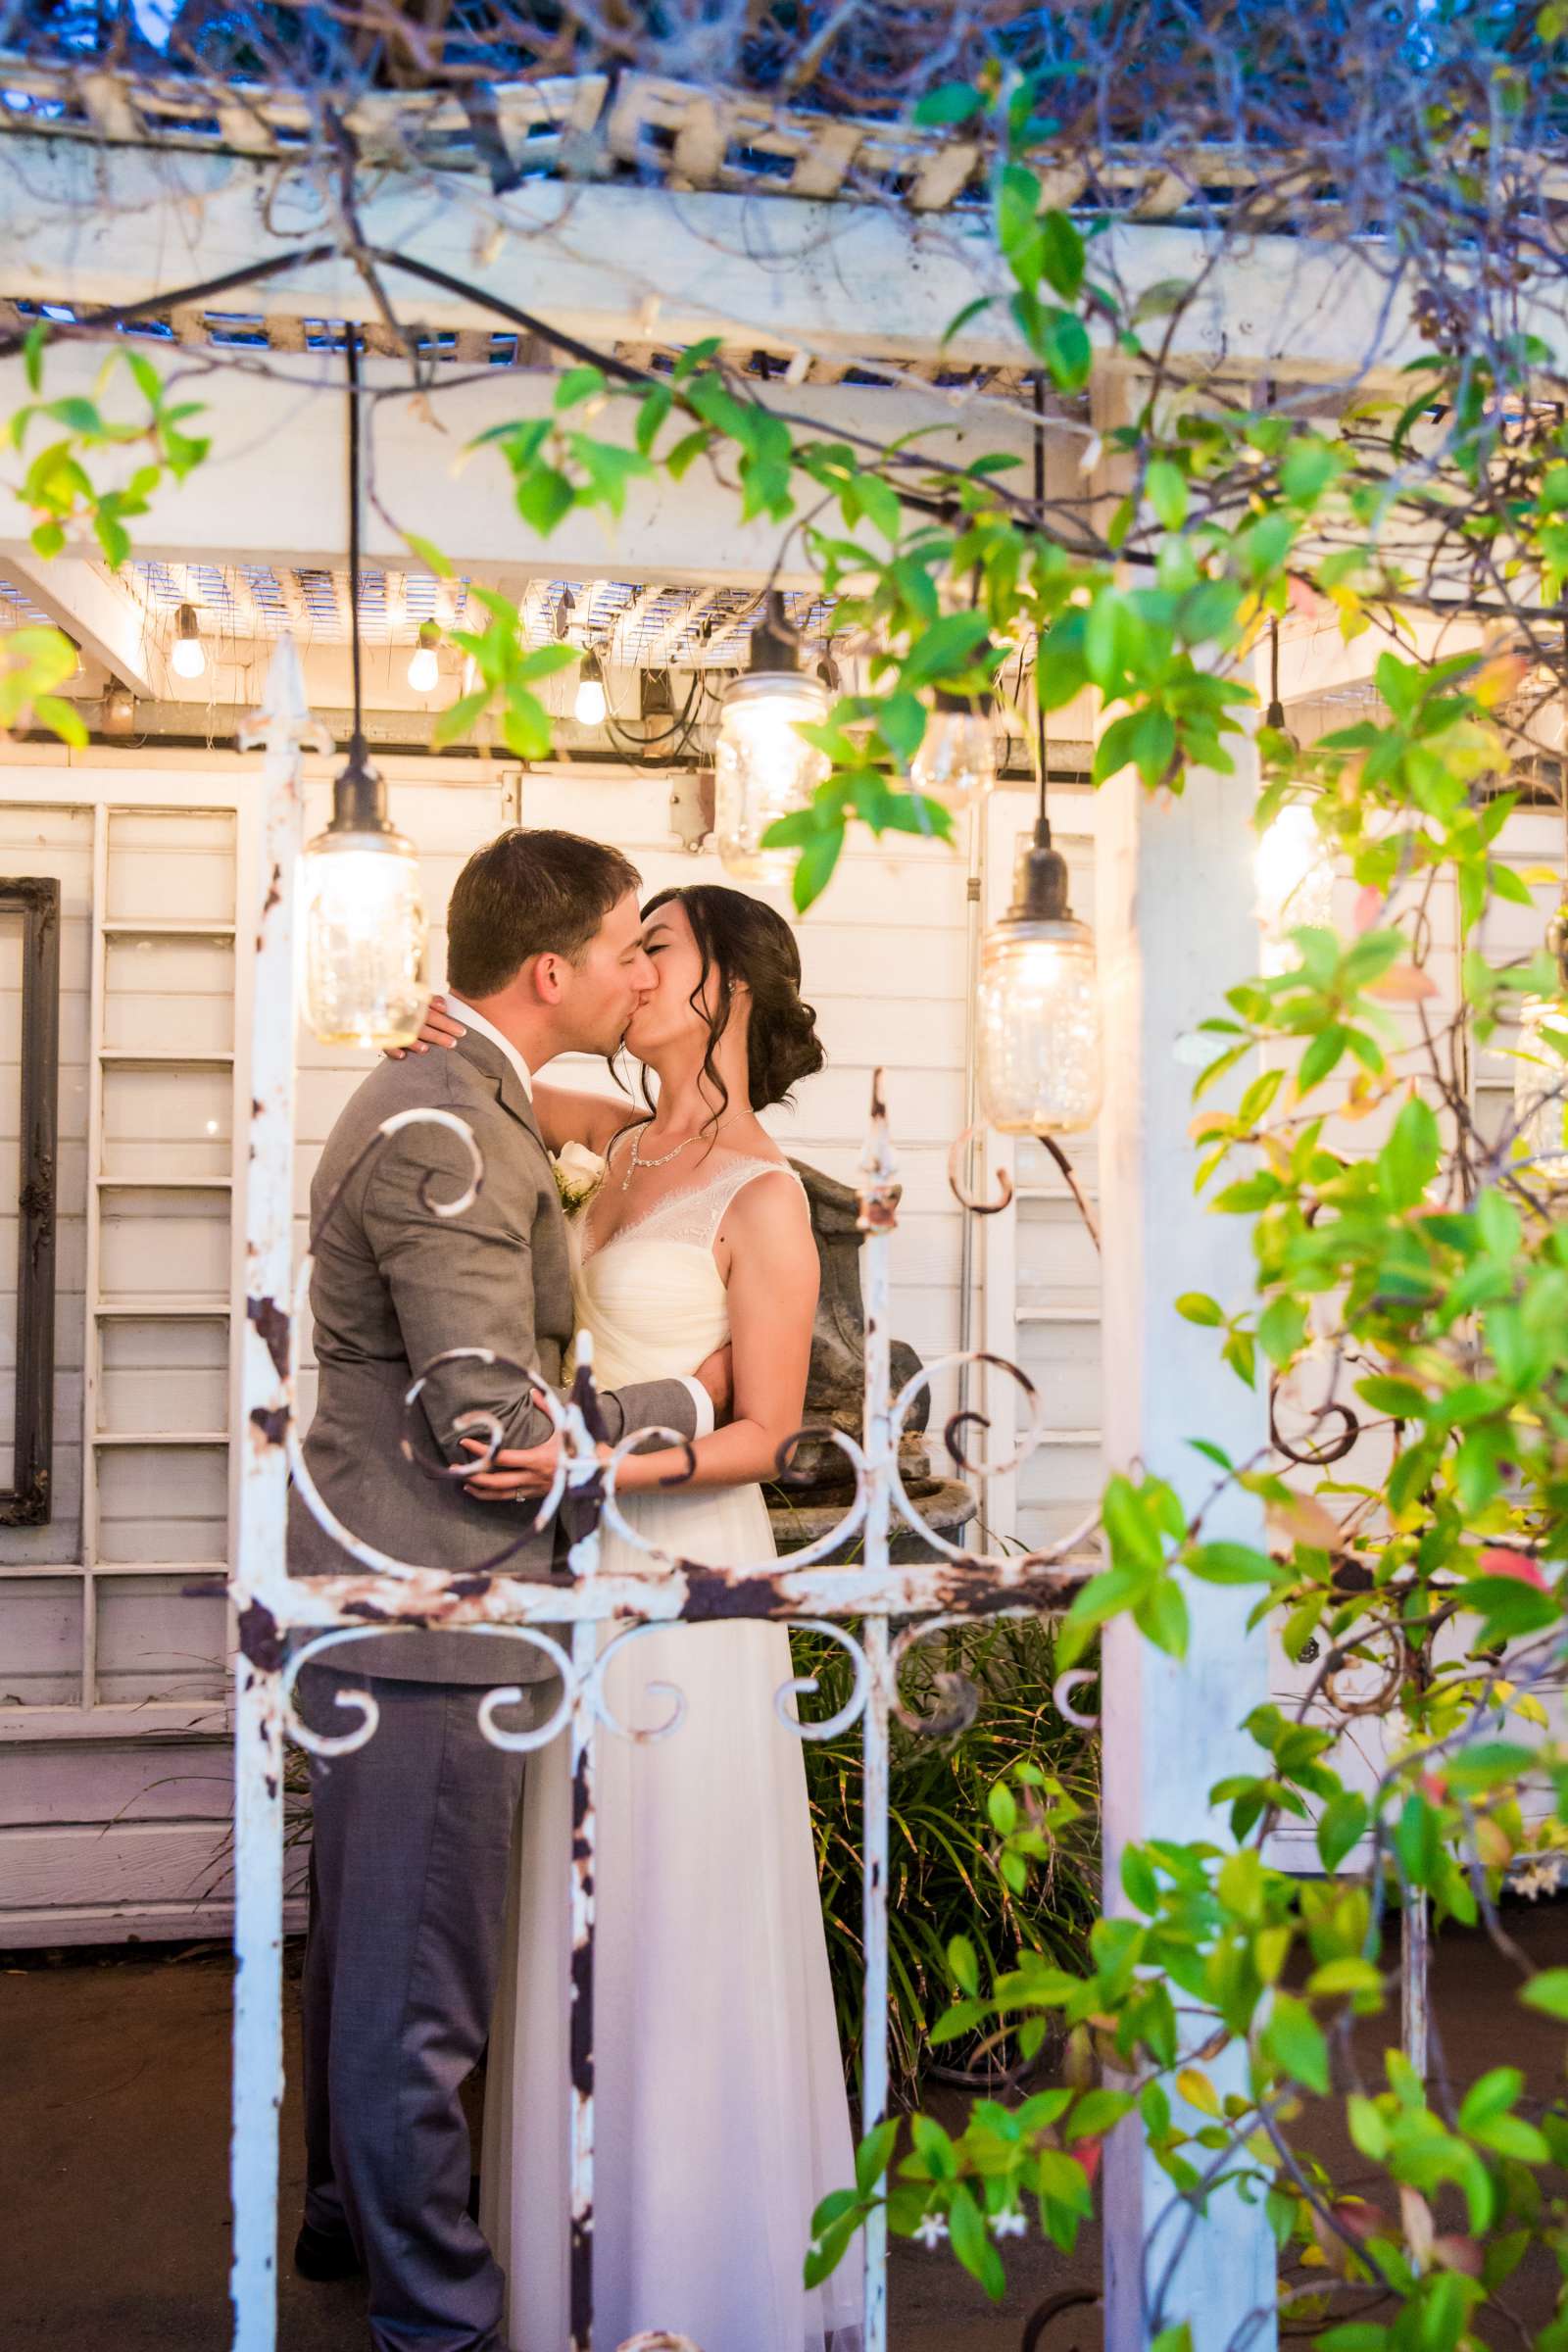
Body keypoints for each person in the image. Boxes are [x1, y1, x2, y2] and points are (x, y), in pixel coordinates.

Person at [288, 830, 732, 2352]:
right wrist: (684, 1404)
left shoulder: (461, 1091)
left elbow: (586, 1114)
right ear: (554, 971)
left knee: (369, 1953)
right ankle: (440, 2325)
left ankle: (345, 2225)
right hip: (434, 1605)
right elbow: (490, 1427)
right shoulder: (452, 1127)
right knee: (416, 2003)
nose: (639, 975)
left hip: (393, 1598)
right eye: (626, 950)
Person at [415, 881, 862, 2352]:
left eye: (655, 944)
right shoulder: (619, 1147)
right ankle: (586, 2272)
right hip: (584, 1577)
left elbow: (767, 1426)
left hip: (688, 1570)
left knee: (685, 1915)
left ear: (727, 981)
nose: (630, 964)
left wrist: (602, 1456)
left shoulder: (764, 1191)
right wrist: (475, 1038)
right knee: (580, 1916)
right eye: (621, 945)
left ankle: (710, 2280)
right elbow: (521, 1071)